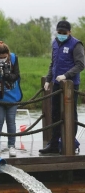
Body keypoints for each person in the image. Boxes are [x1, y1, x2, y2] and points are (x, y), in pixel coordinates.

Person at [39, 20, 84, 154]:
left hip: (70, 86)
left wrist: (66, 75)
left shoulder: (76, 45)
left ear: (69, 32)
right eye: (59, 32)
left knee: (70, 115)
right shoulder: (55, 43)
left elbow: (81, 64)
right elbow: (53, 63)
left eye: (64, 33)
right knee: (55, 114)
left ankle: (70, 142)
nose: (61, 34)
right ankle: (53, 144)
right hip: (57, 84)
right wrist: (48, 79)